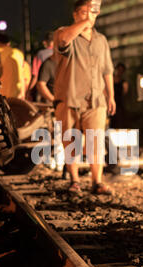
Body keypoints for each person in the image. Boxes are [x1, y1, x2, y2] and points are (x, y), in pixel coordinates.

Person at [54, 0, 116, 195]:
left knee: (95, 141)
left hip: (96, 99)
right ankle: (74, 181)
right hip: (69, 97)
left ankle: (96, 182)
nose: (90, 15)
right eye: (84, 12)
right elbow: (63, 41)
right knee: (71, 140)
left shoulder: (101, 40)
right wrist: (84, 22)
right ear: (75, 14)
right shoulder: (64, 33)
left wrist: (111, 96)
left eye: (93, 12)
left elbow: (107, 70)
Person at [0, 33, 26, 99]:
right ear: (8, 43)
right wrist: (23, 92)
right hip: (18, 92)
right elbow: (22, 74)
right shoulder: (19, 53)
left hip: (3, 93)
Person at [28, 32, 54, 101]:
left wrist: (28, 91)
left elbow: (35, 75)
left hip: (44, 91)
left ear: (45, 42)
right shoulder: (61, 53)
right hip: (58, 91)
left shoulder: (41, 54)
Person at [111, 62, 129, 129]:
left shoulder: (124, 82)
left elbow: (124, 93)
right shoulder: (111, 80)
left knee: (120, 122)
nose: (119, 72)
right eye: (119, 70)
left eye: (121, 70)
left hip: (119, 105)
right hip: (111, 102)